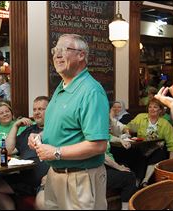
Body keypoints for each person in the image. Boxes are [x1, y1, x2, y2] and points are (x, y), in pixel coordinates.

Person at [28, 34, 109, 209]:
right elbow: (64, 127)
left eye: (64, 49)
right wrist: (40, 136)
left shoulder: (91, 91)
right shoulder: (61, 87)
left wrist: (56, 152)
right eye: (55, 50)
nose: (57, 55)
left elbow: (98, 145)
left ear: (81, 55)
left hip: (80, 179)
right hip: (55, 175)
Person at [0, 96, 50, 210]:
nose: (36, 113)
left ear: (51, 110)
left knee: (42, 204)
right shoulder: (29, 130)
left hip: (45, 180)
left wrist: (52, 175)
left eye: (41, 109)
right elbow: (8, 150)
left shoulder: (56, 129)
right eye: (35, 109)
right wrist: (15, 126)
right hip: (26, 179)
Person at [123, 98, 173, 187]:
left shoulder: (165, 124)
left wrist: (170, 163)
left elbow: (172, 145)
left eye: (155, 107)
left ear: (160, 110)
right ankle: (136, 181)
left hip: (156, 150)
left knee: (159, 153)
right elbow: (128, 127)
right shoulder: (141, 117)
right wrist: (128, 132)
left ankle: (145, 181)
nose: (152, 109)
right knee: (136, 154)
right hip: (141, 148)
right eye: (150, 107)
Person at [104, 142, 137, 209]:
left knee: (132, 158)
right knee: (130, 177)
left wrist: (120, 140)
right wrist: (118, 167)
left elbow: (110, 137)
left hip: (101, 167)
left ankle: (136, 187)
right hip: (97, 171)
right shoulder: (95, 135)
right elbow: (101, 155)